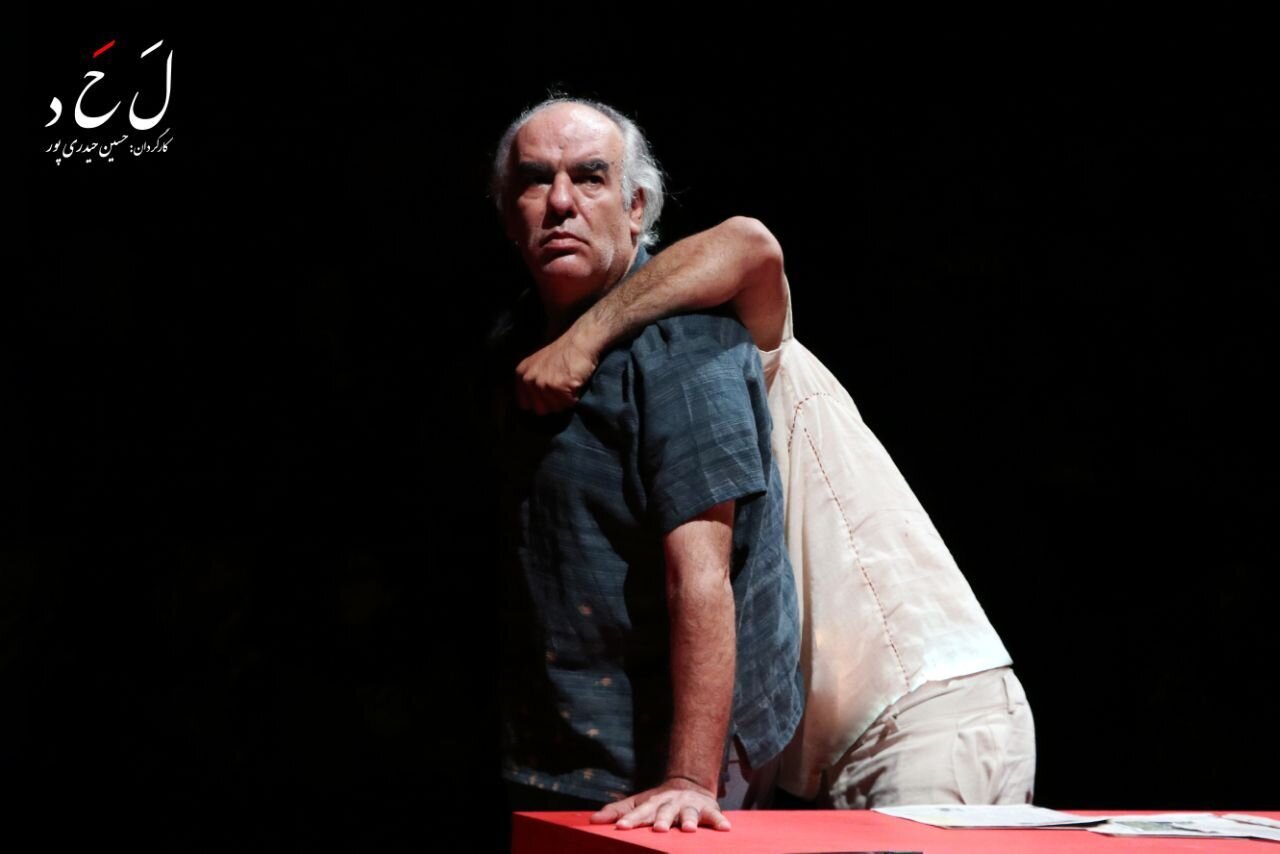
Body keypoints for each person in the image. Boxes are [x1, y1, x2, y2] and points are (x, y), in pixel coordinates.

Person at [514, 214, 1037, 809]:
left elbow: (748, 242)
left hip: (924, 711)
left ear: (636, 208)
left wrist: (583, 337)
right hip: (849, 743)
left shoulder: (739, 343)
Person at [488, 97, 803, 834]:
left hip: (658, 775)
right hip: (550, 752)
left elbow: (703, 575)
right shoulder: (511, 337)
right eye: (535, 180)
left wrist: (690, 778)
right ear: (507, 213)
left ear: (635, 208)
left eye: (589, 177)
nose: (560, 202)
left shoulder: (686, 348)